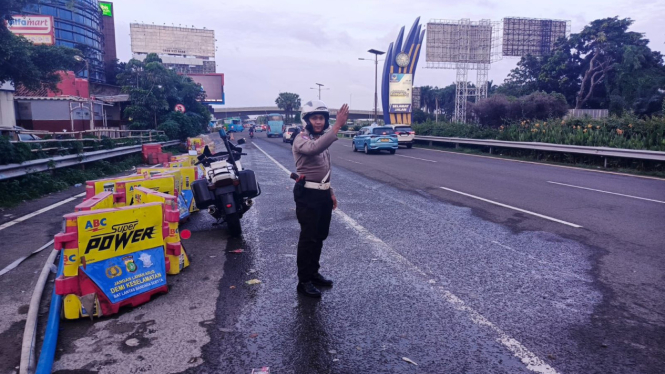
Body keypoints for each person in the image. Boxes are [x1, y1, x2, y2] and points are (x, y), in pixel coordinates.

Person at [291, 100, 349, 298]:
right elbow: (313, 149)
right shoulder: (301, 139)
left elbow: (325, 171)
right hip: (308, 194)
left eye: (322, 118)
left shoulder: (320, 139)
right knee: (308, 238)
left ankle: (313, 274)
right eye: (314, 118)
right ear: (306, 120)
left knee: (320, 236)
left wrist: (330, 192)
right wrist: (337, 126)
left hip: (322, 194)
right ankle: (304, 281)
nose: (318, 121)